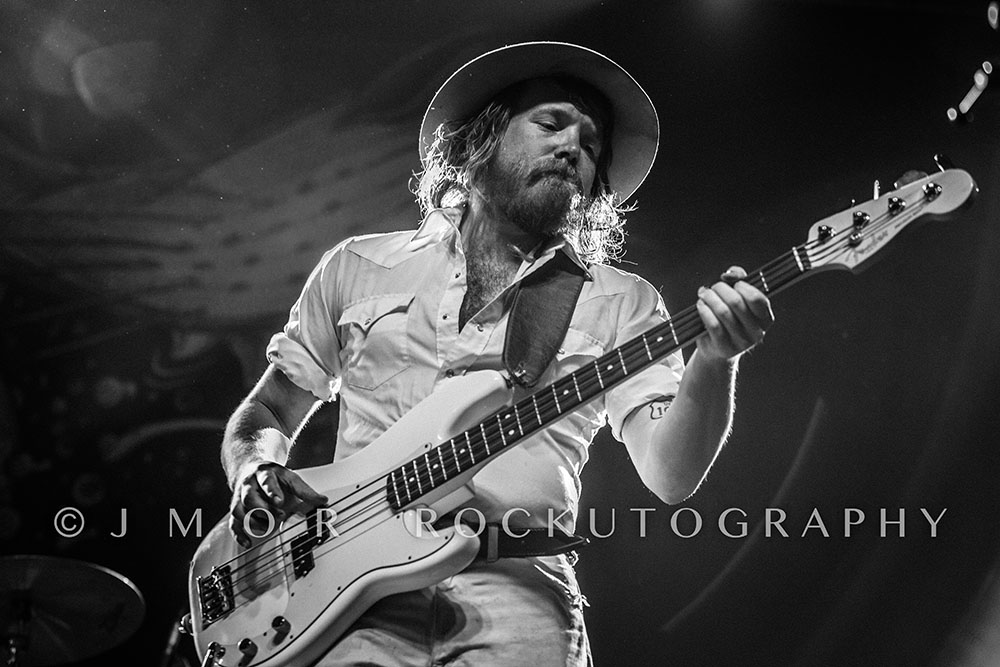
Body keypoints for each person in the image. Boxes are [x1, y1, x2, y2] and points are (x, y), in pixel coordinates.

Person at [220, 42, 773, 667]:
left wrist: (715, 360)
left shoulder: (621, 301)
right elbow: (265, 414)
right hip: (345, 593)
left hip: (522, 592)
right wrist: (254, 472)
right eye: (551, 123)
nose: (573, 149)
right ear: (477, 141)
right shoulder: (358, 267)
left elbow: (671, 476)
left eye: (592, 146)